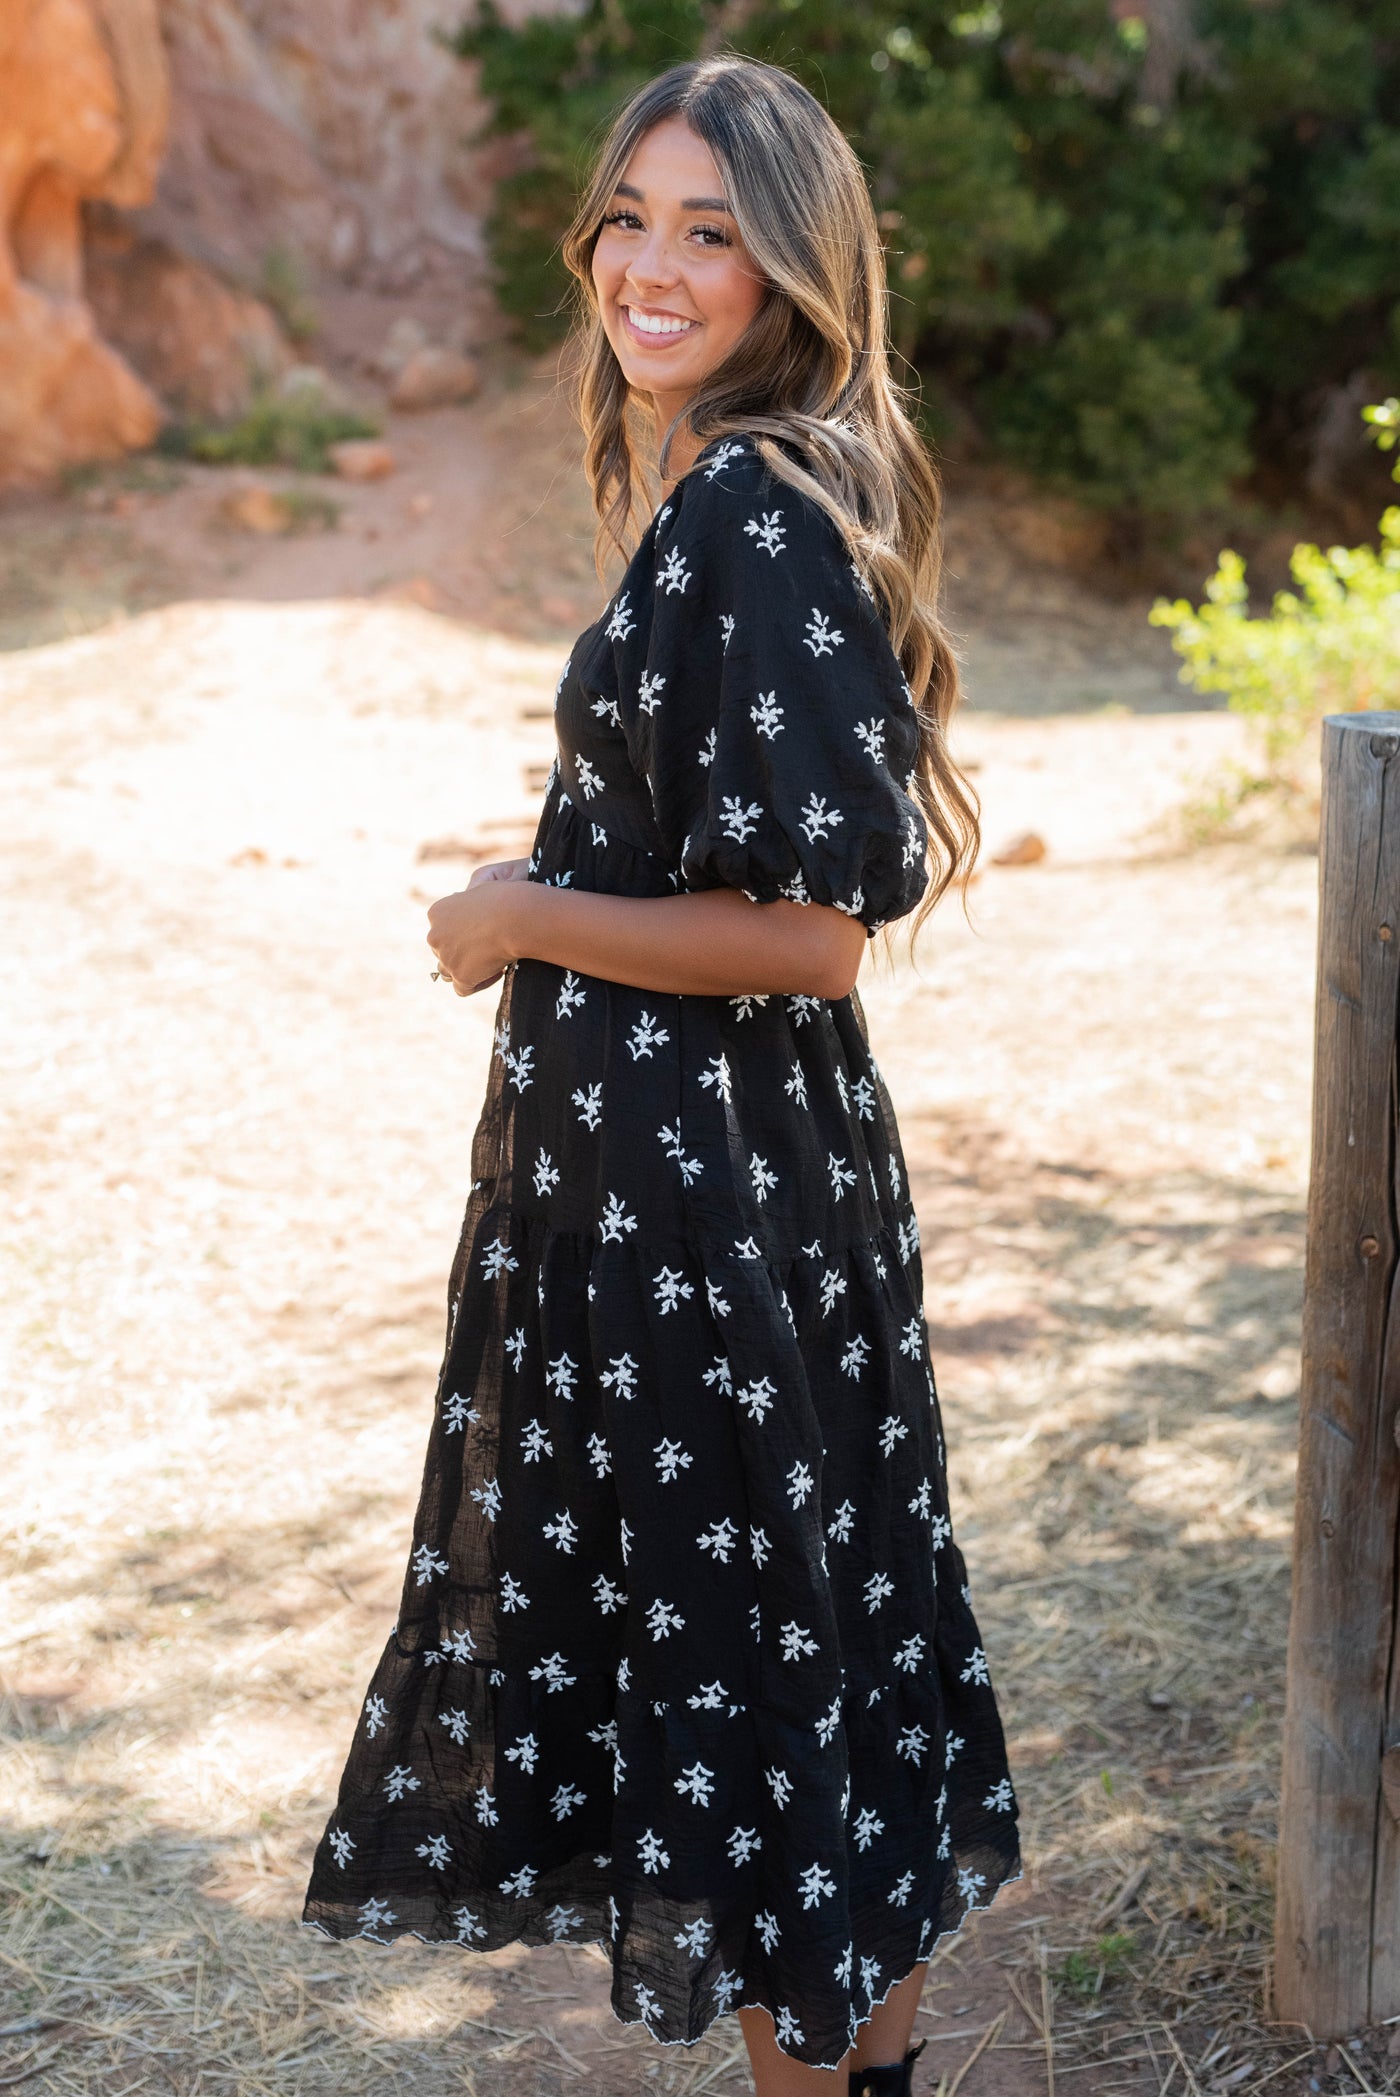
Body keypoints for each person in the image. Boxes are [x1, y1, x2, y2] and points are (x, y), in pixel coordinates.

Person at [302, 53, 1021, 2096]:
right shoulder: (742, 492)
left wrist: (518, 907)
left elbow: (809, 933)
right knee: (817, 1711)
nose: (650, 261)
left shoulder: (745, 508)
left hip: (706, 1217)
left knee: (768, 1737)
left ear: (793, 265)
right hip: (727, 1193)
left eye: (711, 228)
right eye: (631, 214)